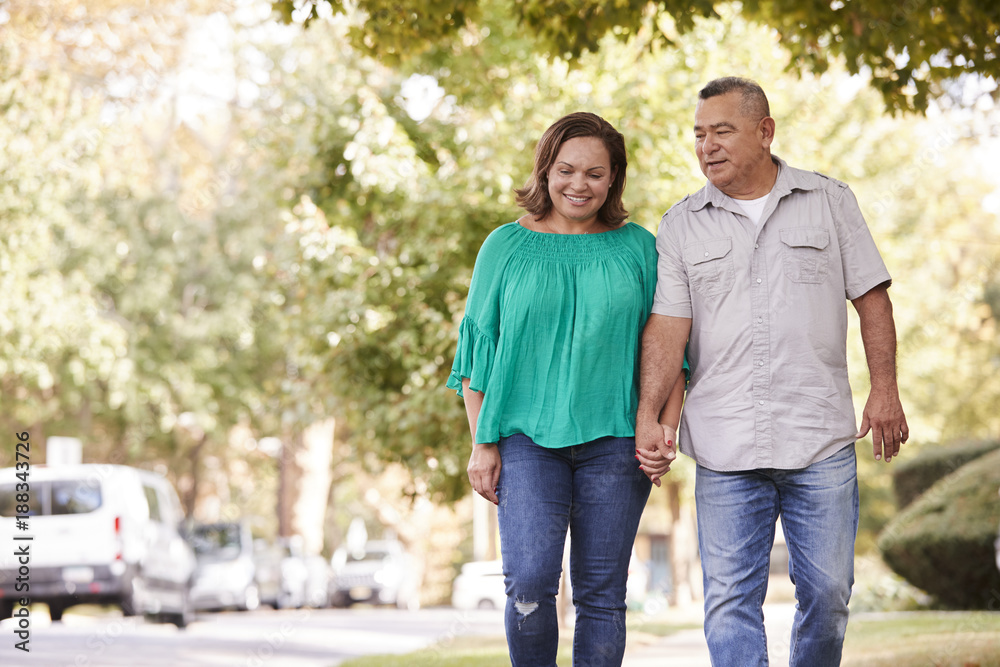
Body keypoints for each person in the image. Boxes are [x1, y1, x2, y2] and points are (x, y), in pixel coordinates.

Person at [635, 77, 909, 667]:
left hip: (820, 438)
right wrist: (647, 416)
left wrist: (884, 390)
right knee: (729, 602)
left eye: (722, 131)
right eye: (699, 134)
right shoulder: (681, 224)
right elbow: (667, 328)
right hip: (725, 443)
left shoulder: (831, 201)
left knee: (830, 595)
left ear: (765, 132)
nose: (707, 146)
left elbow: (873, 299)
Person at [447, 111, 673, 666]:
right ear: (545, 169)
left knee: (602, 596)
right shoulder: (504, 246)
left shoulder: (639, 249)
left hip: (617, 442)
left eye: (596, 173)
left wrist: (663, 426)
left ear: (614, 178)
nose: (579, 184)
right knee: (528, 583)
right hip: (525, 440)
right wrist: (482, 442)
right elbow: (478, 350)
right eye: (566, 169)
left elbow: (668, 349)